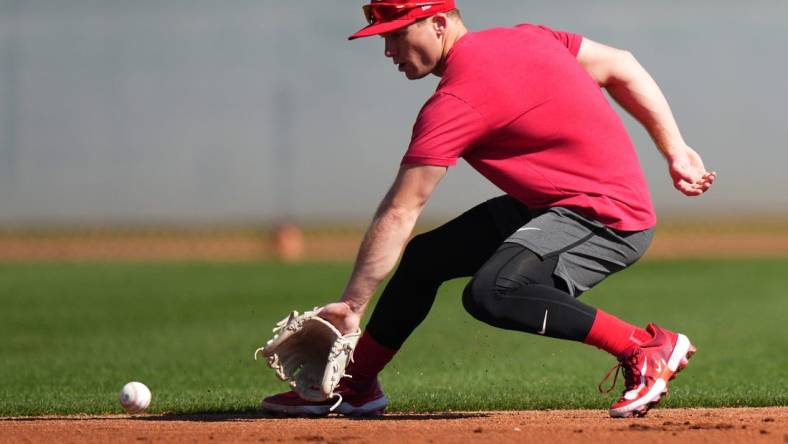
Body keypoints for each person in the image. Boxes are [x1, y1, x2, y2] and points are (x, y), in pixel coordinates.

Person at [262, 0, 716, 418]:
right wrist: (674, 149)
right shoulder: (527, 36)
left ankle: (644, 347)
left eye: (398, 34)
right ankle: (357, 385)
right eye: (384, 37)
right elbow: (622, 65)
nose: (388, 50)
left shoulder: (455, 102)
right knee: (426, 260)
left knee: (493, 292)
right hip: (552, 204)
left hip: (606, 217)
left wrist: (352, 305)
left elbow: (401, 210)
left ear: (439, 23)